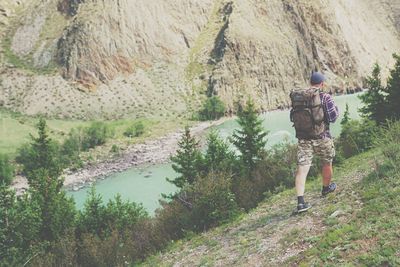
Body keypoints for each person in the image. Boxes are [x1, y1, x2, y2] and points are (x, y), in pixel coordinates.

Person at [293, 72, 339, 213]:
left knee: (302, 168)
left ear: (310, 82)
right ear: (322, 83)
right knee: (326, 162)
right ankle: (326, 188)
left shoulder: (300, 98)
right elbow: (333, 117)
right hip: (322, 137)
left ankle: (301, 202)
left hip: (304, 138)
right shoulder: (325, 97)